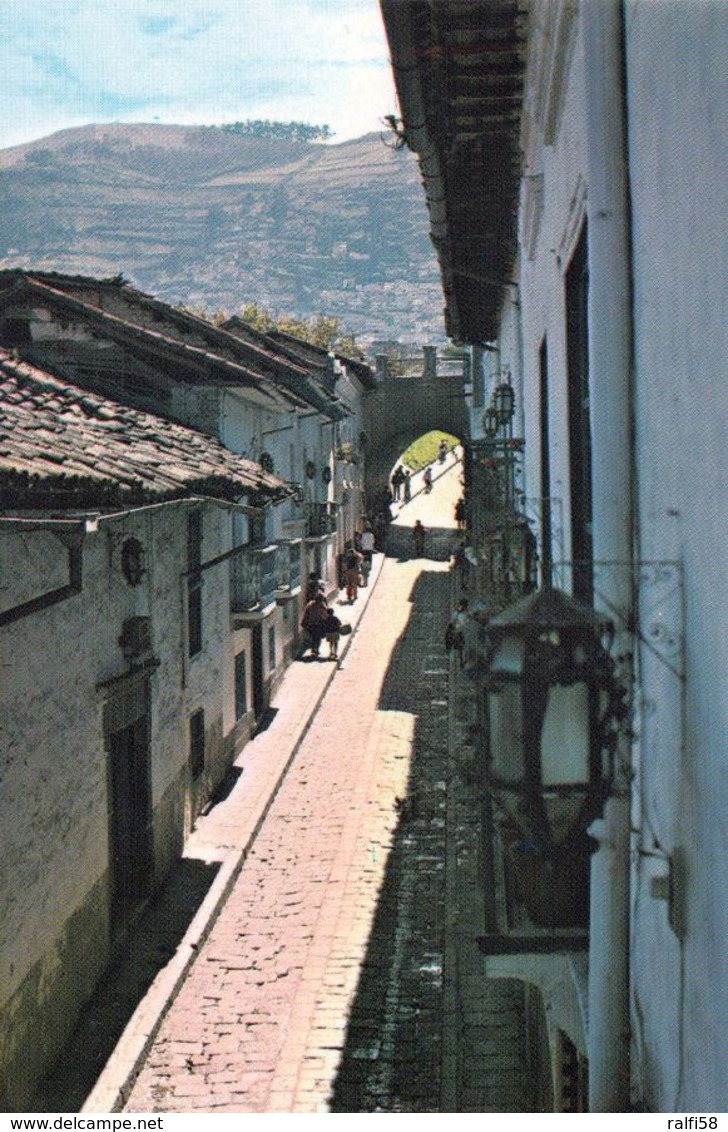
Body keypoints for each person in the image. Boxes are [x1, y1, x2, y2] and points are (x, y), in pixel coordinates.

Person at [301, 591, 328, 657]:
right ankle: (315, 650)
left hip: (313, 624)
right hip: (317, 624)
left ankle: (314, 650)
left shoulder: (310, 604)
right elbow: (325, 615)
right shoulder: (322, 605)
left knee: (314, 637)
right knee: (317, 638)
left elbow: (306, 613)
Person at [445, 598, 469, 667]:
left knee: (461, 647)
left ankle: (462, 660)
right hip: (460, 632)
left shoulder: (459, 612)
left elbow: (452, 622)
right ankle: (461, 661)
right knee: (461, 647)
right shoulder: (459, 613)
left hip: (461, 631)